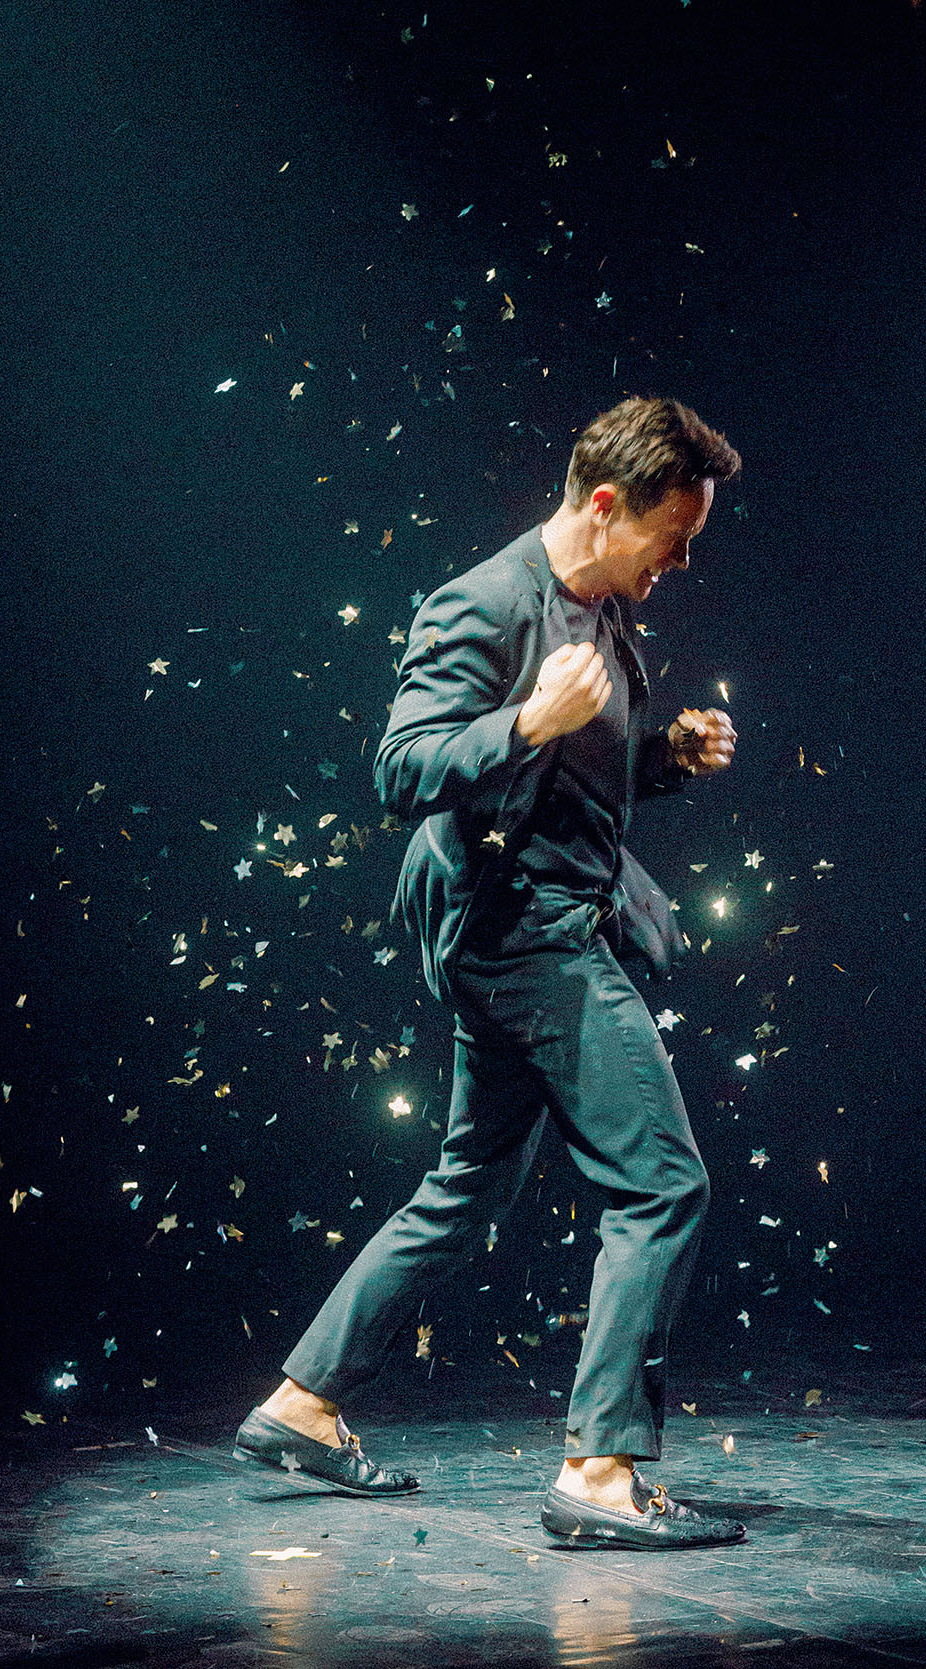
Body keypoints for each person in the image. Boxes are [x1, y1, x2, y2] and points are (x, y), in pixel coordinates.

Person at [235, 396, 745, 1549]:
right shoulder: (482, 603)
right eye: (672, 534)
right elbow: (401, 768)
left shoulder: (601, 606)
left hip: (537, 923)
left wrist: (662, 755)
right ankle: (598, 1474)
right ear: (605, 504)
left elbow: (572, 780)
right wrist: (524, 721)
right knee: (660, 1186)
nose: (680, 559)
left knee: (467, 1186)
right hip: (521, 935)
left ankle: (302, 1403)